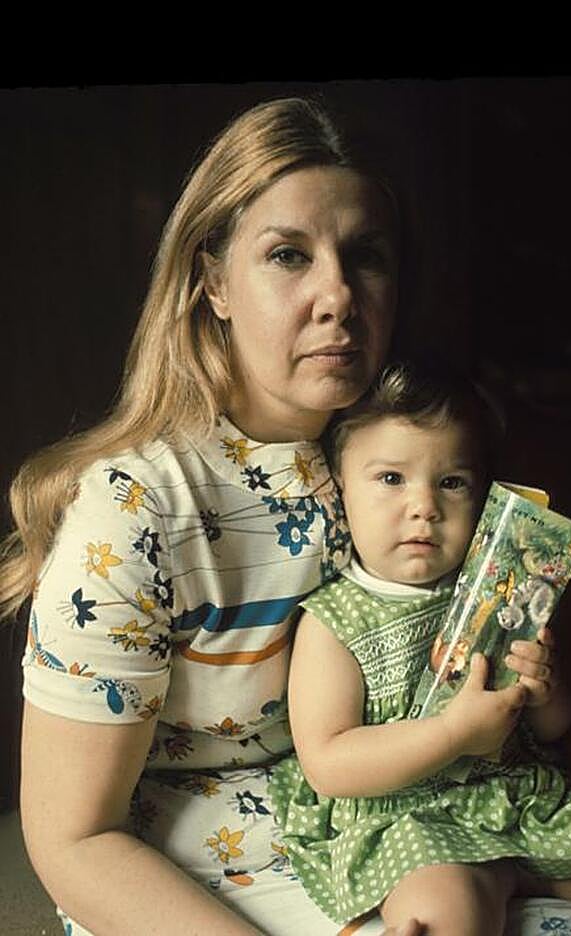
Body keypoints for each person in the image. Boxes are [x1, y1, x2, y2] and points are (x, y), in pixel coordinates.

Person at [0, 96, 402, 936]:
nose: (338, 294)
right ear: (212, 282)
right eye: (288, 254)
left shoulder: (412, 466)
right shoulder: (138, 508)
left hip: (387, 827)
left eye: (364, 256)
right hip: (184, 877)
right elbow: (73, 838)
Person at [269, 361, 571, 935]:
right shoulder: (336, 620)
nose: (424, 507)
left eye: (451, 482)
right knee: (447, 908)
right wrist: (454, 734)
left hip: (521, 803)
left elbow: (558, 729)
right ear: (338, 485)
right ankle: (488, 887)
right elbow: (330, 763)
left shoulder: (499, 591)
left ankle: (545, 877)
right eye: (390, 479)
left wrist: (541, 690)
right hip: (413, 816)